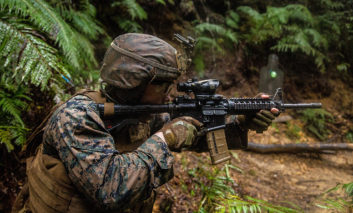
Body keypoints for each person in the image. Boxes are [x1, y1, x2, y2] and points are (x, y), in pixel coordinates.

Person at [12, 33, 278, 213]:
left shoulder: (143, 113)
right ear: (134, 81)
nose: (169, 93)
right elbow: (111, 189)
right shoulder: (78, 117)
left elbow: (195, 133)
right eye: (162, 85)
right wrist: (166, 139)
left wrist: (241, 121)